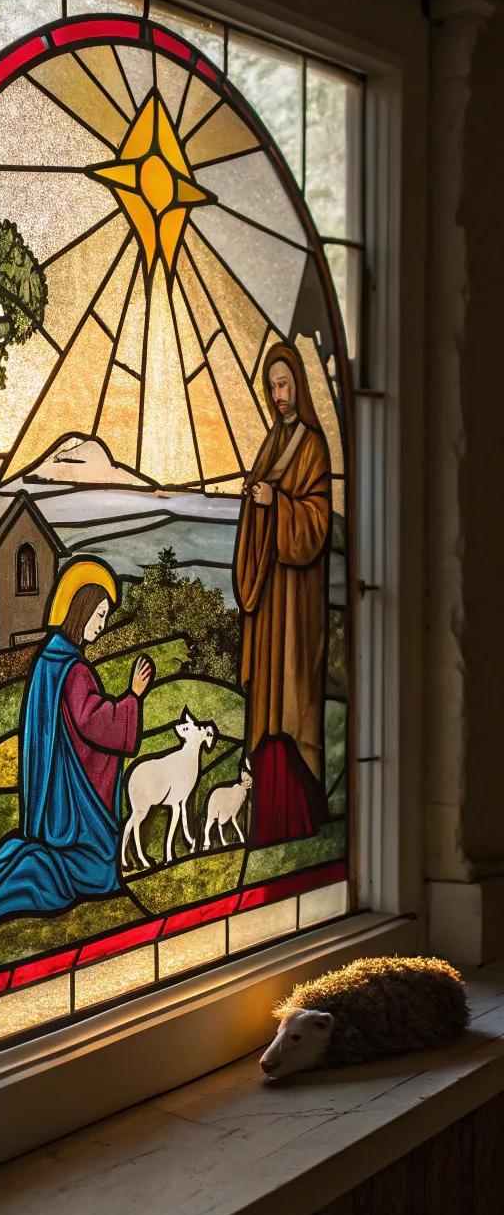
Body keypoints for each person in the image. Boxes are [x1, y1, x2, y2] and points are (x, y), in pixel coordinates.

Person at [0, 561, 153, 932]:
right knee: (94, 863)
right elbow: (92, 721)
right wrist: (133, 698)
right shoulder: (73, 668)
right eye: (99, 614)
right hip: (71, 791)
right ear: (80, 610)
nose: (101, 624)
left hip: (54, 778)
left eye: (105, 616)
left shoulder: (50, 658)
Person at [233, 340, 331, 844]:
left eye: (284, 384)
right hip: (270, 599)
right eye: (271, 387)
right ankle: (268, 823)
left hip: (295, 604)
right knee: (266, 708)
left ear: (299, 385)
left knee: (290, 702)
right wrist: (255, 502)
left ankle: (300, 819)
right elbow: (261, 510)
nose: (278, 395)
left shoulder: (313, 446)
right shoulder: (271, 444)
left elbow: (316, 522)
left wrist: (278, 503)